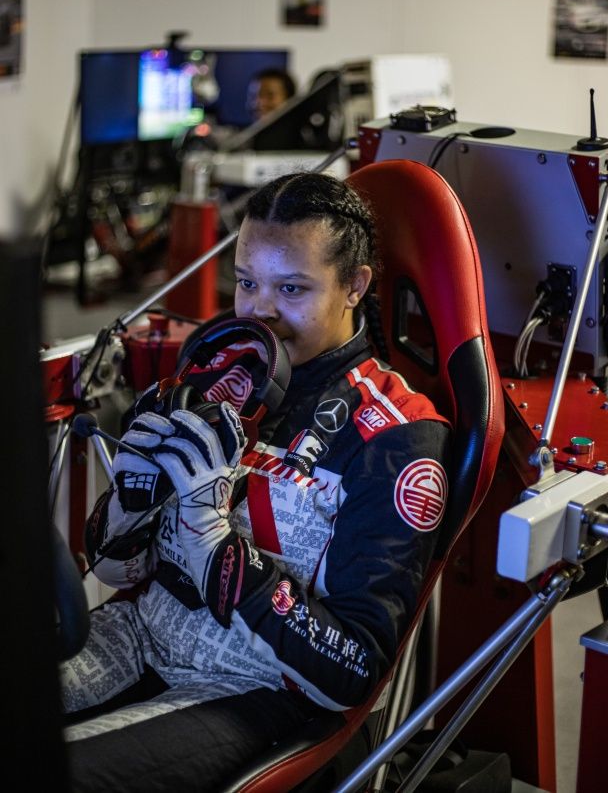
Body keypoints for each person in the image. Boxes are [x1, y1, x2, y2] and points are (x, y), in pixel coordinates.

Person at [59, 171, 452, 792]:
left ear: (354, 286)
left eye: (291, 288)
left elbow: (353, 672)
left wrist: (212, 541)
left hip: (253, 687)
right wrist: (129, 505)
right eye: (246, 283)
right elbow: (115, 571)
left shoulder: (397, 436)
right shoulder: (218, 373)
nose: (260, 312)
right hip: (140, 632)